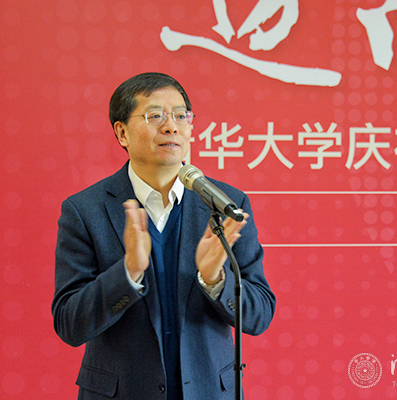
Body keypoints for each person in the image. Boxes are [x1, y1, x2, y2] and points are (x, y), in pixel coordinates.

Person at [52, 72, 276, 400]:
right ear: (122, 132)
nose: (171, 126)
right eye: (155, 116)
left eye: (181, 116)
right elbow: (69, 324)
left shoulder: (227, 204)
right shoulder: (85, 210)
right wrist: (127, 273)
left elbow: (260, 315)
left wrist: (215, 280)